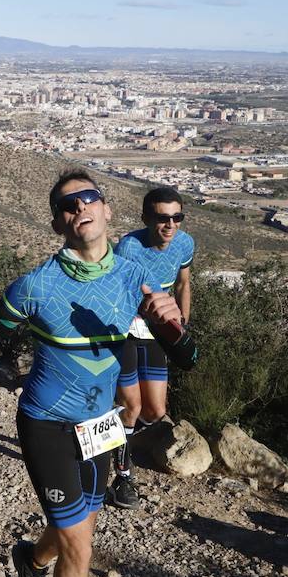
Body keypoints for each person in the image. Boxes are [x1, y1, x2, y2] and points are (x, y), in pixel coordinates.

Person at [0, 171, 197, 577]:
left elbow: (187, 359)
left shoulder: (130, 277)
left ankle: (31, 559)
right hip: (46, 423)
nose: (80, 206)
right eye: (68, 205)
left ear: (106, 209)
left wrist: (170, 326)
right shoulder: (36, 285)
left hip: (100, 426)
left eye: (88, 198)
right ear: (57, 223)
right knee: (79, 546)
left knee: (83, 521)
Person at [111, 187, 195, 510]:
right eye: (162, 218)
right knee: (131, 406)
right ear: (146, 218)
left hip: (160, 330)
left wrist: (181, 322)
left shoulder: (185, 243)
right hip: (128, 329)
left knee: (155, 411)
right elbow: (117, 291)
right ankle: (123, 475)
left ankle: (116, 433)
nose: (170, 225)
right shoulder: (129, 247)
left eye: (176, 217)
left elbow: (184, 282)